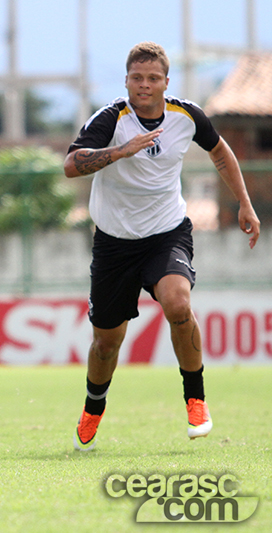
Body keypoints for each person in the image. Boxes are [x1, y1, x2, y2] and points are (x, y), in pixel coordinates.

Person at [64, 42, 260, 451]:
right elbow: (70, 165)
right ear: (127, 81)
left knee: (178, 303)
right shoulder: (111, 119)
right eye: (137, 78)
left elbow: (221, 151)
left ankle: (196, 400)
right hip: (114, 244)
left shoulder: (186, 116)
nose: (145, 85)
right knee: (106, 341)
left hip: (166, 233)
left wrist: (243, 202)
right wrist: (120, 152)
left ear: (166, 83)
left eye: (153, 78)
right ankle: (93, 406)